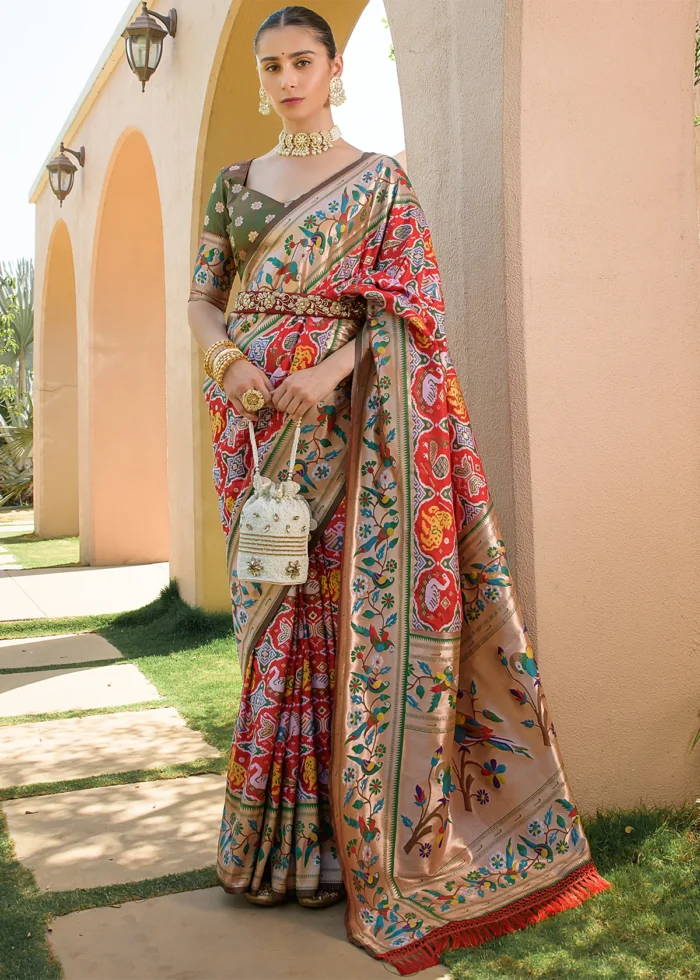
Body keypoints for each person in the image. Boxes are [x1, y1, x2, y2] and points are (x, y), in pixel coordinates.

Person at [187, 5, 612, 974]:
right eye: (272, 65)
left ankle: (355, 845)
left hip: (354, 428)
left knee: (349, 625)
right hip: (254, 432)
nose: (287, 78)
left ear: (334, 69)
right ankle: (272, 848)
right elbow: (201, 295)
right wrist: (231, 369)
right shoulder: (235, 186)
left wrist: (327, 374)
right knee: (273, 622)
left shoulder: (379, 183)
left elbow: (414, 308)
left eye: (302, 61)